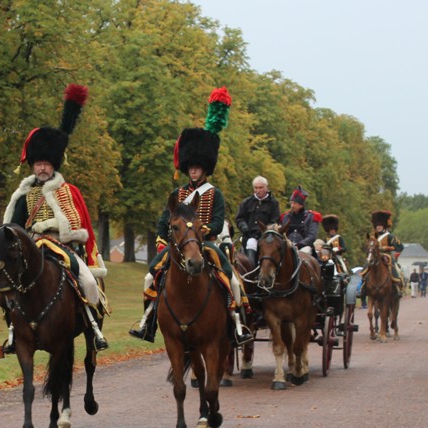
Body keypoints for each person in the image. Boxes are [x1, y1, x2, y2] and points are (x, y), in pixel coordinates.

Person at [130, 87, 251, 345]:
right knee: (151, 274)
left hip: (206, 243)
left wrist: (205, 231)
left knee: (231, 276)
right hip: (178, 244)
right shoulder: (178, 193)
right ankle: (148, 322)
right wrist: (166, 237)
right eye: (191, 168)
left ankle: (238, 324)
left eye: (198, 168)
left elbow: (218, 221)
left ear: (204, 169)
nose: (194, 171)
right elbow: (164, 222)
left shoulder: (214, 193)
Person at [1, 84, 107, 353]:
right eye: (38, 163)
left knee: (88, 282)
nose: (42, 167)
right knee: (3, 287)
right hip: (32, 248)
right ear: (33, 165)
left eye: (47, 163)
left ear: (54, 165)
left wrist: (48, 225)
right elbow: (13, 225)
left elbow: (75, 226)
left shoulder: (66, 191)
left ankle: (93, 326)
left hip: (63, 246)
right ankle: (13, 331)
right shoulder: (23, 193)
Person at [234, 175, 280, 265]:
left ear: (266, 188)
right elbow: (239, 218)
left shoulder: (273, 203)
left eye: (261, 188)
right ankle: (252, 269)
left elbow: (275, 220)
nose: (258, 190)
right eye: (256, 188)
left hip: (267, 237)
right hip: (248, 236)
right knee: (251, 243)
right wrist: (244, 227)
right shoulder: (246, 202)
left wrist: (264, 230)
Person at [359, 210, 405, 299]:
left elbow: (400, 247)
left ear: (384, 226)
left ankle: (397, 285)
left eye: (380, 226)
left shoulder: (390, 236)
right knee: (367, 264)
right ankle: (363, 286)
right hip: (375, 255)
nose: (378, 227)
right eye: (377, 226)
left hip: (387, 255)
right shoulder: (373, 237)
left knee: (393, 267)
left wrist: (387, 248)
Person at [280, 186, 319, 253]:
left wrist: (300, 244)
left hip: (304, 247)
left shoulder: (311, 216)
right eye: (291, 203)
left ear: (301, 205)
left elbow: (312, 236)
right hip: (287, 245)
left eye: (294, 203)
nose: (292, 205)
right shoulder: (286, 217)